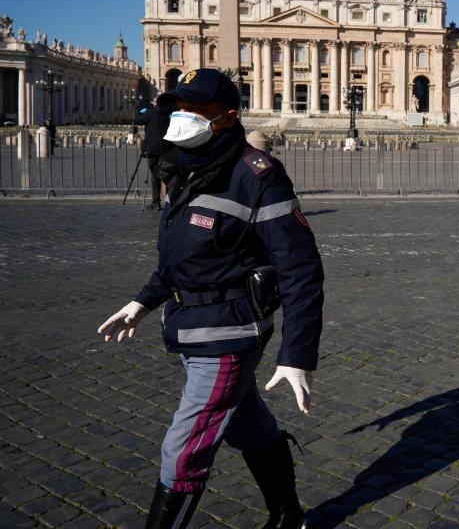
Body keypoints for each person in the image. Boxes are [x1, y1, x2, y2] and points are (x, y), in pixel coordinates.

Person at [97, 69, 324, 529]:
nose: (180, 117)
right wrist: (143, 301)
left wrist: (297, 355)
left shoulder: (258, 175)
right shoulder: (187, 167)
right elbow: (183, 258)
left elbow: (300, 270)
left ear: (227, 117)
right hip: (188, 323)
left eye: (192, 110)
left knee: (182, 452)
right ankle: (288, 516)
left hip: (230, 333)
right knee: (246, 424)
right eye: (177, 108)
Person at [135, 102, 175, 209]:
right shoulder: (170, 115)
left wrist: (140, 111)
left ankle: (156, 202)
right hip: (168, 149)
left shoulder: (151, 113)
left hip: (154, 149)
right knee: (168, 174)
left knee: (155, 175)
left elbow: (137, 120)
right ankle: (169, 201)